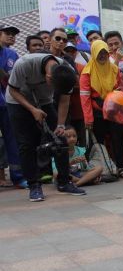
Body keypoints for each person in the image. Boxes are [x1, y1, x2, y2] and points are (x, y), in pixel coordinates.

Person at [6, 52, 85, 201]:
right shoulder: (24, 64)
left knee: (61, 138)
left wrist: (61, 125)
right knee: (27, 145)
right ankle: (34, 185)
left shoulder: (67, 72)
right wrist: (32, 109)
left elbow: (64, 101)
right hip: (18, 102)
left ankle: (64, 182)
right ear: (48, 77)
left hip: (44, 102)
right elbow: (12, 90)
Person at [80, 41, 123, 178]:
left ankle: (120, 166)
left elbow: (120, 89)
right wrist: (88, 118)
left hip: (114, 111)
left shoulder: (114, 69)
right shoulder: (86, 73)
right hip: (97, 113)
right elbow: (85, 98)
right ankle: (103, 169)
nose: (102, 56)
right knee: (100, 141)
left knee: (118, 139)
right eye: (99, 53)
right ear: (94, 54)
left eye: (104, 53)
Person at [0, 24, 27, 188]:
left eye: (14, 34)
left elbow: (14, 79)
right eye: (7, 33)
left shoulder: (12, 54)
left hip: (8, 103)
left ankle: (18, 176)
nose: (11, 36)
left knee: (13, 140)